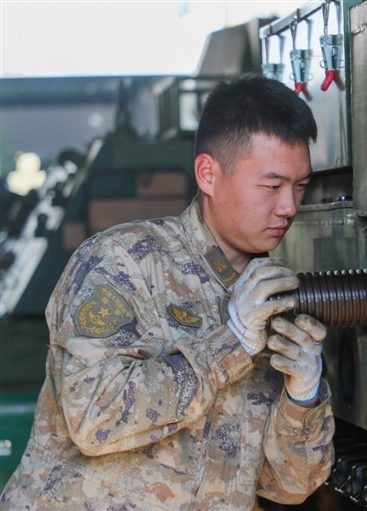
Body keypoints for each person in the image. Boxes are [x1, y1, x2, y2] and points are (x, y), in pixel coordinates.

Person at [0, 75, 334, 510]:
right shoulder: (123, 262)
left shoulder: (270, 296)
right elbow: (93, 417)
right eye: (272, 186)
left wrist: (302, 397)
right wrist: (230, 344)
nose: (289, 206)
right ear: (208, 174)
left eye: (300, 186)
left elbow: (288, 485)